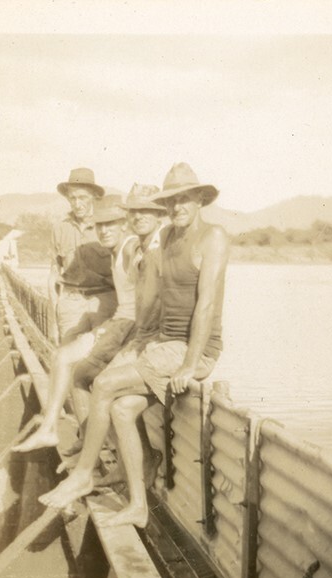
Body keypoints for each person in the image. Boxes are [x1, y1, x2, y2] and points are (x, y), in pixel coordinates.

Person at [39, 164, 229, 529]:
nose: (177, 207)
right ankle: (138, 504)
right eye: (170, 201)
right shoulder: (168, 238)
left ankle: (82, 475)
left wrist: (190, 364)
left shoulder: (213, 237)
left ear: (201, 198)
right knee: (124, 409)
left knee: (104, 384)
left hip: (195, 348)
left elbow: (205, 305)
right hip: (164, 343)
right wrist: (142, 343)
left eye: (184, 199)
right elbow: (152, 303)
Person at [14, 184, 167, 455]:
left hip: (127, 328)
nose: (104, 230)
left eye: (111, 225)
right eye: (100, 226)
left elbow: (149, 265)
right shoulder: (118, 250)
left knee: (67, 361)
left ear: (124, 225)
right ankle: (95, 447)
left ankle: (54, 432)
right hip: (122, 325)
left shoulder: (131, 247)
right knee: (79, 372)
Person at [49, 167, 116, 343]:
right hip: (70, 303)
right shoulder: (60, 228)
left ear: (94, 196)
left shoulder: (106, 225)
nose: (77, 204)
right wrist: (52, 322)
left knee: (102, 355)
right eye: (73, 198)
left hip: (103, 302)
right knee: (66, 355)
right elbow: (53, 275)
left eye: (83, 198)